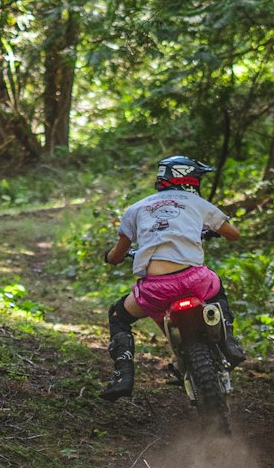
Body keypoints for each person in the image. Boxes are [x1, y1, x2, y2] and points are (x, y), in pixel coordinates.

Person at [100, 154, 245, 402]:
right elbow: (233, 234)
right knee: (217, 289)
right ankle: (229, 344)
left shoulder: (136, 208)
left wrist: (110, 258)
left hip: (156, 290)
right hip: (195, 281)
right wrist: (206, 229)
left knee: (118, 315)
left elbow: (117, 255)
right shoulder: (196, 202)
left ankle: (122, 376)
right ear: (187, 179)